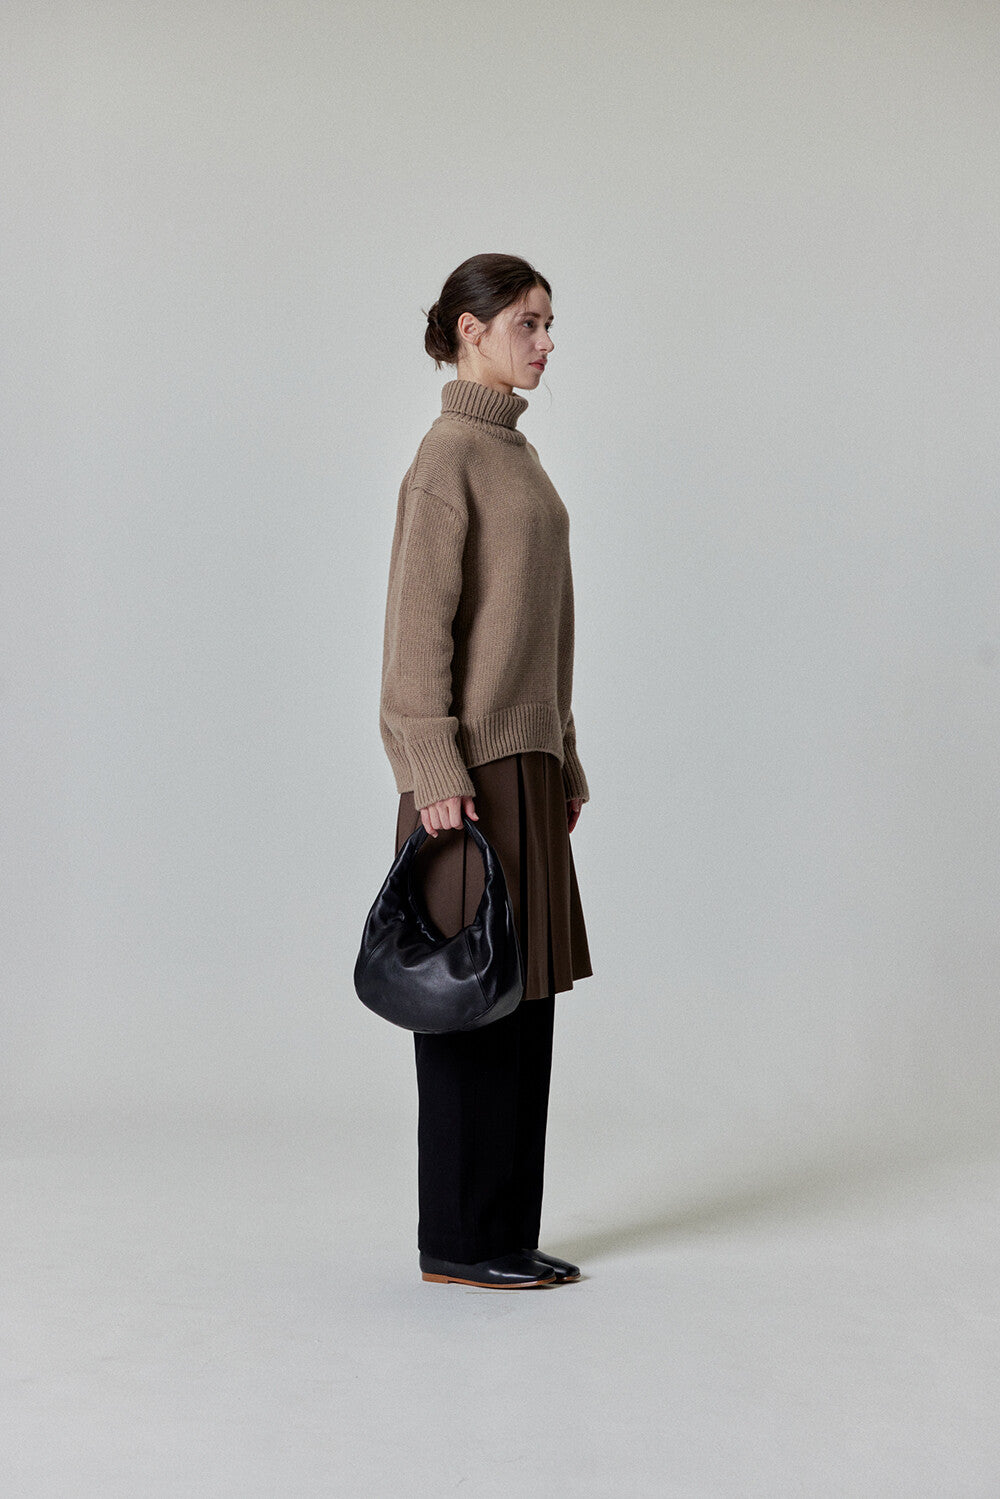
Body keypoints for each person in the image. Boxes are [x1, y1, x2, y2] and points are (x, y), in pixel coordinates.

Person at [379, 252, 593, 1289]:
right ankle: (459, 1242)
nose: (545, 342)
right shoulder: (448, 456)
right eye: (527, 323)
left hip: (525, 762)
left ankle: (505, 1230)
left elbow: (540, 628)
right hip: (465, 772)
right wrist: (431, 765)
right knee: (466, 1001)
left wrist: (564, 751)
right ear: (470, 330)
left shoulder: (518, 455)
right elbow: (416, 634)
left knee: (521, 993)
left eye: (550, 324)